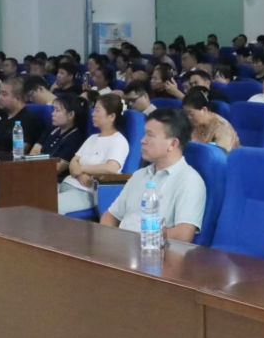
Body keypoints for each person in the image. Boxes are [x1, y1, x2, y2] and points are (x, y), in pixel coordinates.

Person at [100, 109, 205, 243]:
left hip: (152, 250)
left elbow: (183, 234)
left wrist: (142, 240)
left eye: (150, 135)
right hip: (121, 246)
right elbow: (110, 216)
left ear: (173, 144)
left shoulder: (189, 180)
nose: (143, 140)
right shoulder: (139, 175)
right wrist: (108, 242)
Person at [58, 96, 129, 215]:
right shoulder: (92, 138)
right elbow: (74, 161)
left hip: (86, 192)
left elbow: (111, 168)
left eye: (97, 110)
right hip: (66, 184)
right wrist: (79, 174)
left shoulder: (119, 141)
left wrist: (81, 169)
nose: (93, 114)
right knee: (32, 199)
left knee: (44, 206)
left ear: (111, 116)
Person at [31, 95, 88, 179]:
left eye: (57, 110)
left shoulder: (76, 138)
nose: (52, 114)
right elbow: (34, 153)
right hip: (36, 174)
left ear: (71, 115)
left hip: (55, 180)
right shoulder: (52, 129)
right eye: (53, 110)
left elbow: (56, 168)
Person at [0, 77, 44, 153]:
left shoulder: (29, 120)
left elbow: (21, 151)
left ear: (17, 99)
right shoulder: (4, 117)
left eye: (4, 94)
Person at [183, 86, 240, 152]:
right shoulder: (195, 124)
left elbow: (220, 155)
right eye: (186, 114)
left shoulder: (222, 128)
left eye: (191, 114)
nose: (188, 117)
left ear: (204, 109)